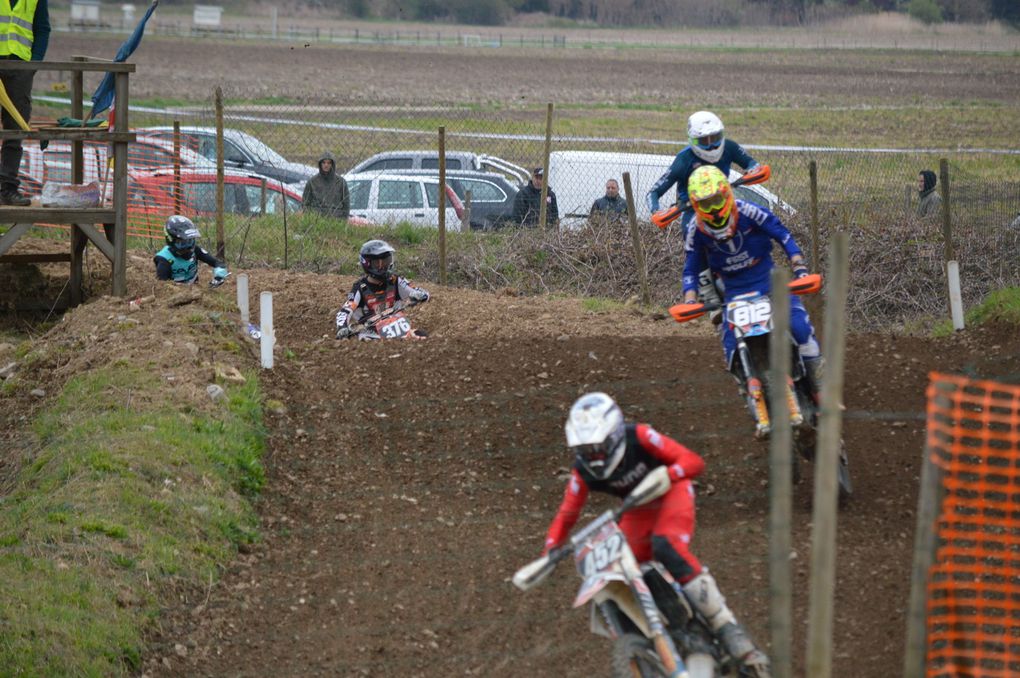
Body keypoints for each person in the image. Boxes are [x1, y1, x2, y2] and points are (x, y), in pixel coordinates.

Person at [543, 392, 771, 677]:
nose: (593, 456)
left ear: (613, 435)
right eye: (585, 449)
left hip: (670, 492)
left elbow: (692, 462)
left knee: (665, 546)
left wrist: (670, 474)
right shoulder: (581, 471)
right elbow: (567, 512)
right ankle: (664, 632)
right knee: (620, 567)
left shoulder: (639, 436)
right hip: (637, 509)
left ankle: (727, 627)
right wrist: (551, 548)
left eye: (597, 447)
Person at [681, 166, 821, 434]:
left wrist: (799, 266)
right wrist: (690, 299)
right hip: (734, 294)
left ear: (727, 194)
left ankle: (822, 392)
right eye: (705, 204)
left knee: (801, 330)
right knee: (731, 346)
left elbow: (782, 234)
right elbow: (690, 267)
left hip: (768, 282)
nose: (712, 209)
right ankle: (751, 394)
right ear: (696, 206)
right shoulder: (696, 229)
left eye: (716, 200)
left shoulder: (748, 211)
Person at [647, 111, 760, 306]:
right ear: (693, 140)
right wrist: (656, 211)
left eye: (715, 139)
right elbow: (653, 192)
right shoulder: (683, 160)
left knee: (749, 226)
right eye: (704, 141)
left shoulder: (730, 147)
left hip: (725, 204)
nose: (711, 145)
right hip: (693, 211)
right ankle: (706, 293)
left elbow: (751, 163)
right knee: (693, 243)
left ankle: (754, 272)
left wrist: (754, 169)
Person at [0, 0, 49, 206]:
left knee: (15, 132)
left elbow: (43, 29)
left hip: (20, 69)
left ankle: (7, 189)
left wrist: (33, 65)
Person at [335, 239, 430, 339]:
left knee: (421, 335)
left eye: (386, 261)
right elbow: (345, 310)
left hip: (397, 325)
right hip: (370, 332)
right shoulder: (360, 288)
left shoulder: (395, 280)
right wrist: (342, 327)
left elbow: (420, 292)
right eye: (378, 263)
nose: (384, 266)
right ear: (367, 264)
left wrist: (420, 295)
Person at [154, 215, 228, 285]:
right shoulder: (164, 259)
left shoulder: (195, 250)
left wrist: (219, 272)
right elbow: (162, 286)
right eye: (182, 243)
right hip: (176, 293)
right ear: (170, 240)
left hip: (195, 289)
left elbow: (216, 262)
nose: (188, 247)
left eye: (190, 241)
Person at [302, 151, 350, 219]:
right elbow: (305, 203)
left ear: (332, 164)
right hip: (316, 221)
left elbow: (346, 205)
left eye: (329, 163)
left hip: (336, 221)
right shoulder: (312, 182)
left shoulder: (341, 182)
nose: (326, 165)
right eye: (324, 162)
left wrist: (343, 220)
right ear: (320, 164)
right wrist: (309, 217)